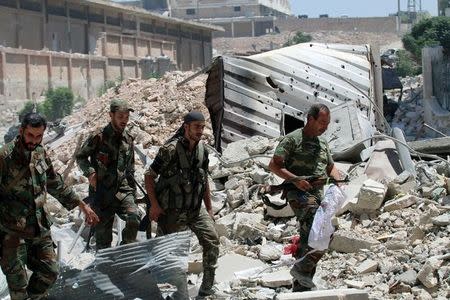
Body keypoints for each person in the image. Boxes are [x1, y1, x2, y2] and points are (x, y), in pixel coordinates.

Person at [0, 113, 99, 300]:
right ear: (22, 131)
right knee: (18, 286)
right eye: (30, 135)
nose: (34, 141)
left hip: (39, 227)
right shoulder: (5, 156)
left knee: (50, 272)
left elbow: (54, 183)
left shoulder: (40, 153)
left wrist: (81, 204)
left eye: (39, 136)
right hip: (12, 233)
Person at [144, 111, 219, 298]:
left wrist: (209, 208)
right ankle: (175, 293)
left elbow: (204, 180)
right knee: (172, 255)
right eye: (196, 127)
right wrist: (154, 205)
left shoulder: (203, 150)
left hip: (195, 209)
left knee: (212, 240)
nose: (200, 131)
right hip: (172, 211)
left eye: (202, 127)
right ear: (186, 127)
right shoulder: (169, 150)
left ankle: (207, 288)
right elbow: (149, 176)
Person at [269, 104, 341, 292]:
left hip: (318, 196)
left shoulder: (322, 143)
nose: (325, 127)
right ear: (310, 119)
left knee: (309, 238)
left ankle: (301, 288)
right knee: (322, 231)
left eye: (327, 124)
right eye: (322, 123)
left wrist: (338, 177)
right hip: (298, 194)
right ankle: (301, 270)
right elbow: (274, 166)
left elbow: (330, 167)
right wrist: (295, 179)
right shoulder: (293, 140)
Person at [75, 98, 139, 250]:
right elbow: (81, 156)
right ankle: (106, 266)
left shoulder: (128, 139)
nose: (124, 120)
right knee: (103, 240)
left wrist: (133, 194)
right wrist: (90, 173)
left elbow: (130, 168)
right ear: (111, 115)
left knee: (134, 218)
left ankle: (124, 251)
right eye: (120, 117)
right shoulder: (99, 136)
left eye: (127, 117)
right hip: (102, 192)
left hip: (123, 191)